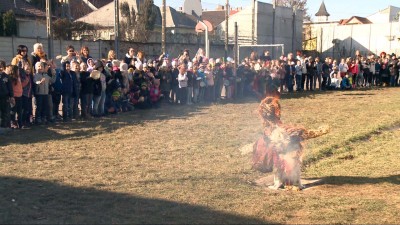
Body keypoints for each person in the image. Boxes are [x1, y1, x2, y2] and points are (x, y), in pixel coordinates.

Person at [0, 61, 14, 131]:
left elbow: (10, 87)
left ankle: (4, 126)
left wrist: (11, 96)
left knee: (5, 111)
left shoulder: (6, 76)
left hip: (5, 97)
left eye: (1, 66)